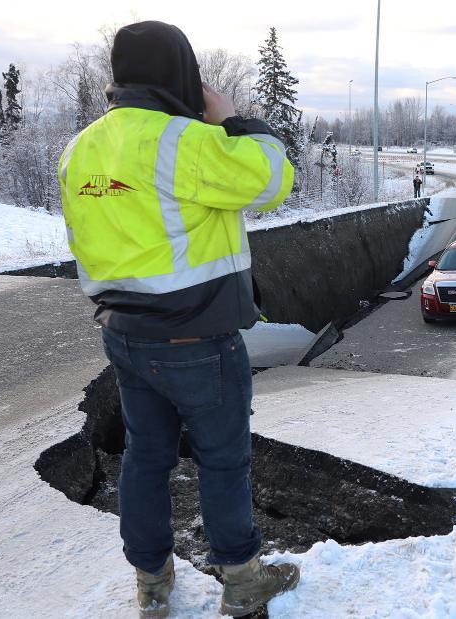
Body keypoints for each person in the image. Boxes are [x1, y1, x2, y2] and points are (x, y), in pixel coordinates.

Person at [57, 21, 299, 618]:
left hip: (124, 334)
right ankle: (242, 583)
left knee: (146, 457)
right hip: (196, 337)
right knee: (222, 460)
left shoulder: (81, 147)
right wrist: (233, 116)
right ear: (180, 73)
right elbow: (272, 179)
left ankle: (152, 586)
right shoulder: (184, 142)